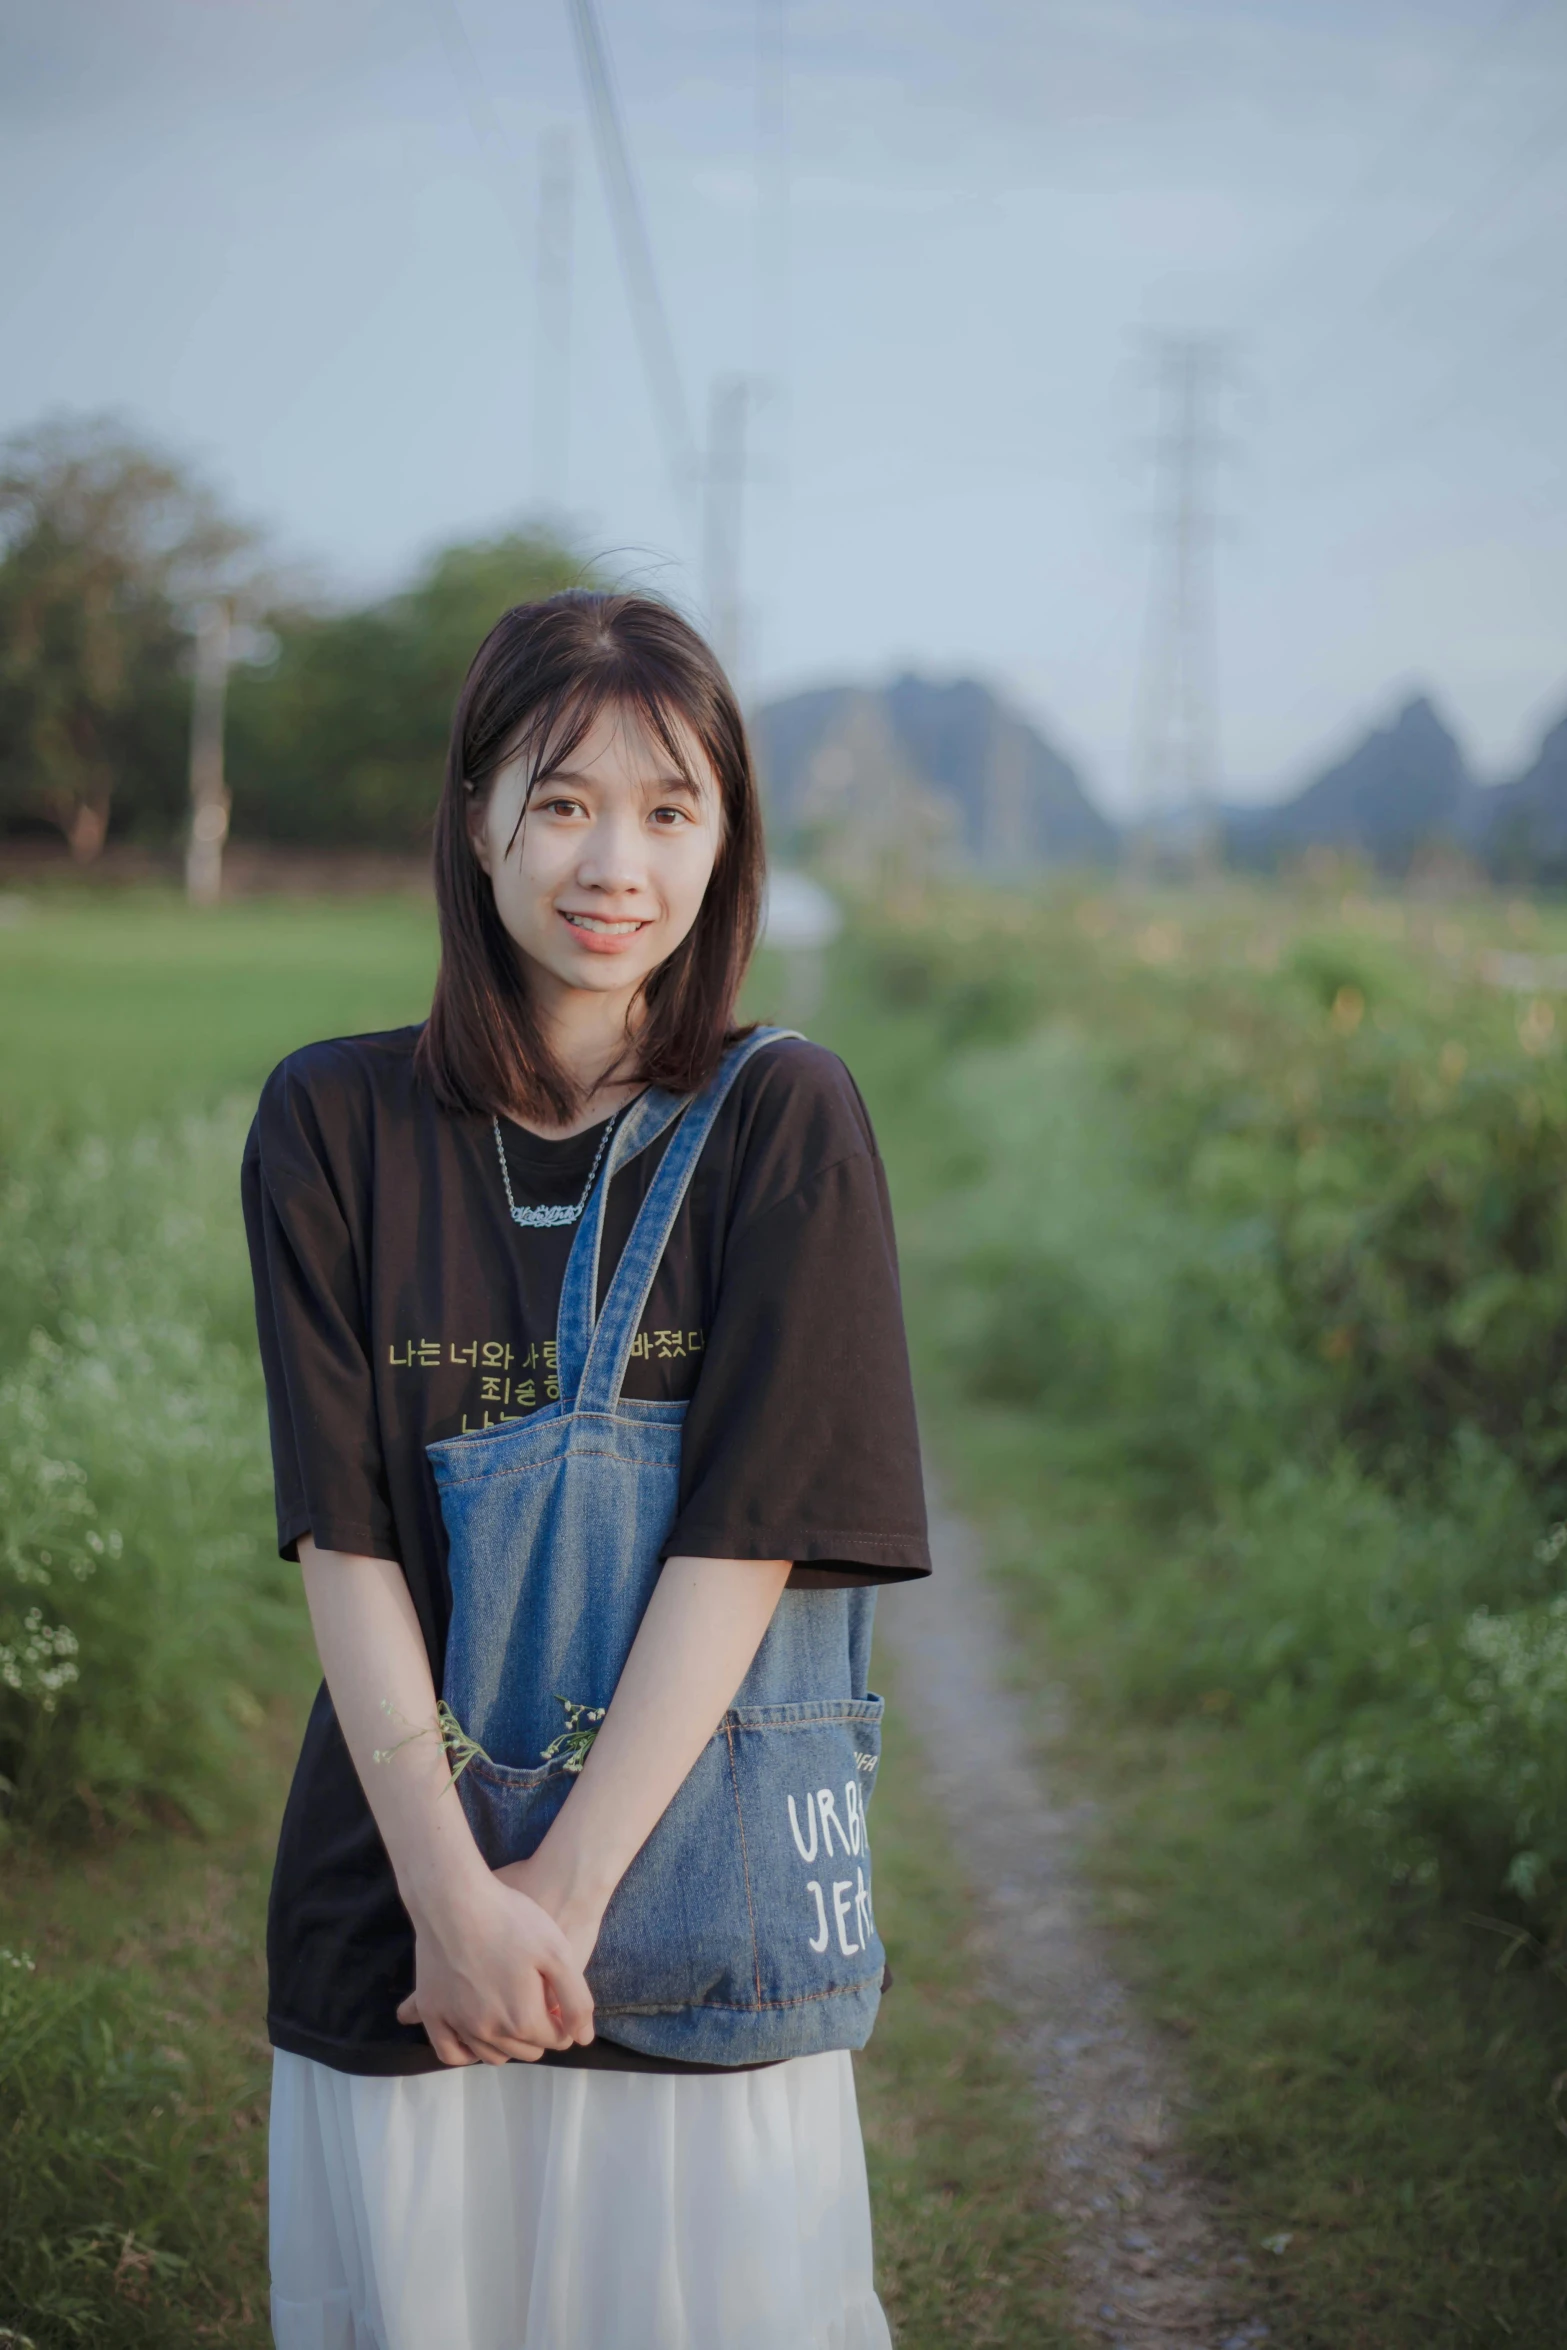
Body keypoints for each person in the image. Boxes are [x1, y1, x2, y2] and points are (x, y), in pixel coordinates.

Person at [243, 590, 931, 2350]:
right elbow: (345, 1532)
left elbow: (753, 1531)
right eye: (562, 800)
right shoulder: (332, 1123)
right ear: (475, 820)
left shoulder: (784, 1119)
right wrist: (452, 1900)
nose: (613, 859)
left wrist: (553, 1899)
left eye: (670, 807)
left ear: (724, 842)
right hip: (398, 1910)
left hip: (689, 1902)